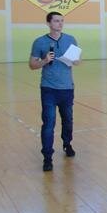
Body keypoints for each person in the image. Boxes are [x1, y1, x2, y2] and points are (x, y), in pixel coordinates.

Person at [29, 12, 80, 172]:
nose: (60, 23)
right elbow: (32, 65)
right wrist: (44, 61)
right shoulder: (39, 42)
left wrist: (74, 60)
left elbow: (77, 61)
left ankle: (67, 143)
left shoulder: (71, 39)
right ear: (49, 23)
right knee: (49, 123)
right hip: (48, 89)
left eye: (62, 21)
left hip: (67, 88)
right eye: (56, 21)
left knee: (68, 120)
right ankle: (47, 157)